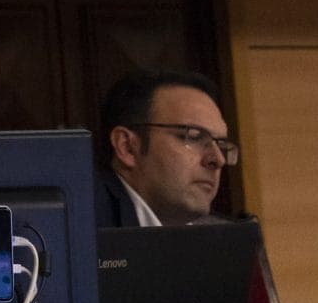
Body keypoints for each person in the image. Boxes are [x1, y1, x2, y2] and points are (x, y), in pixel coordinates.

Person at [94, 68, 238, 228]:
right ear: (127, 147)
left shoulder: (229, 242)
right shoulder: (78, 230)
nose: (218, 160)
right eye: (194, 136)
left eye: (221, 144)